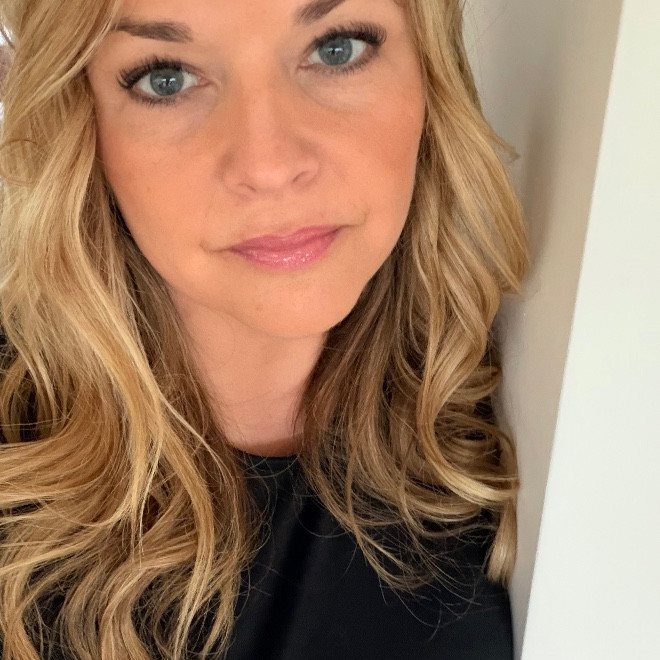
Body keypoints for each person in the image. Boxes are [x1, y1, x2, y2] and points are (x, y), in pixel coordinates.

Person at [0, 0, 528, 658]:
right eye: (166, 78)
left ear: (429, 73)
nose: (269, 166)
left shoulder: (523, 423)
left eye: (337, 49)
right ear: (81, 120)